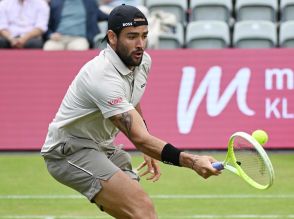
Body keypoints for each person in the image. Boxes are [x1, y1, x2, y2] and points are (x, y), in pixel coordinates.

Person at [41, 4, 221, 218]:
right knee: (142, 209)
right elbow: (138, 137)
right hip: (69, 152)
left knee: (136, 213)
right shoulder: (101, 75)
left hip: (103, 147)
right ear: (112, 37)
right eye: (132, 36)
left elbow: (131, 101)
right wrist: (191, 161)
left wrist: (145, 144)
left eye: (144, 36)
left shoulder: (142, 61)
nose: (140, 44)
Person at [43, 0, 108, 50]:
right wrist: (50, 35)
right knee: (48, 48)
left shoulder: (89, 2)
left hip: (79, 39)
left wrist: (116, 16)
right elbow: (45, 24)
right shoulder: (55, 2)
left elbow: (104, 16)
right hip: (58, 39)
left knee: (80, 49)